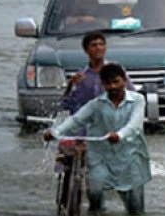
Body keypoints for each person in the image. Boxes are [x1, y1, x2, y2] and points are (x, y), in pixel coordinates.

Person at [43, 63, 151, 215]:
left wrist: (119, 135)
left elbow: (135, 125)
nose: (113, 86)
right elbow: (75, 121)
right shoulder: (96, 105)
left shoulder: (138, 100)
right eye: (108, 83)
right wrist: (55, 132)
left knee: (135, 206)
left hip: (131, 156)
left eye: (116, 82)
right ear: (103, 85)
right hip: (101, 156)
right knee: (95, 192)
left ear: (124, 81)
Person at [60, 31, 136, 115]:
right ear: (86, 50)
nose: (98, 48)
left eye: (101, 44)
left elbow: (132, 96)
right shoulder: (81, 76)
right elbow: (66, 105)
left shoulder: (116, 70)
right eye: (94, 45)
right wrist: (70, 85)